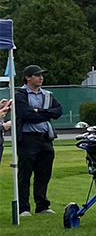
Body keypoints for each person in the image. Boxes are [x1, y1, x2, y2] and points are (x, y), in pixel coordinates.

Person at [13, 65, 61, 217]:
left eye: (41, 75)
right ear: (28, 77)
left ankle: (42, 205)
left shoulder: (47, 95)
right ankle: (23, 208)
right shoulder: (19, 94)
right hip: (28, 138)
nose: (41, 78)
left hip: (45, 139)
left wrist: (39, 111)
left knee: (43, 174)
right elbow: (25, 114)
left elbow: (58, 111)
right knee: (25, 174)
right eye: (36, 75)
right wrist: (46, 114)